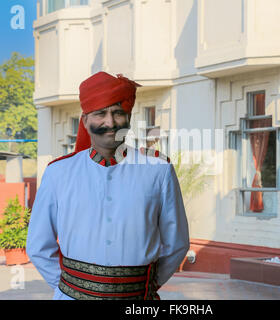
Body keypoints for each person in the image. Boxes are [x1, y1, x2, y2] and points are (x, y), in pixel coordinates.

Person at [26, 71, 190, 300]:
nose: (110, 122)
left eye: (118, 113)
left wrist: (143, 286)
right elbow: (38, 246)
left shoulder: (158, 169)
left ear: (129, 118)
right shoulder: (58, 173)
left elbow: (177, 244)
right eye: (100, 113)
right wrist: (70, 288)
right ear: (85, 121)